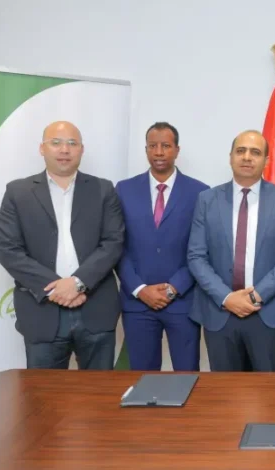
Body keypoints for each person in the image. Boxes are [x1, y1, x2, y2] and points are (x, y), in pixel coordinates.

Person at [0, 121, 124, 369]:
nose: (64, 149)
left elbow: (113, 242)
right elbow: (9, 250)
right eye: (56, 143)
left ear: (81, 149)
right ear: (42, 148)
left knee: (99, 390)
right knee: (44, 392)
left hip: (95, 308)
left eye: (72, 143)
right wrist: (56, 289)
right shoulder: (17, 192)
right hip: (41, 312)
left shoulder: (103, 189)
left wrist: (77, 283)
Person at [187, 130, 275, 371]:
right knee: (225, 390)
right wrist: (227, 298)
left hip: (267, 312)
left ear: (266, 160)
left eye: (255, 152)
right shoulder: (206, 199)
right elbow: (196, 256)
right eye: (241, 151)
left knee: (269, 389)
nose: (247, 157)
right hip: (220, 312)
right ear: (230, 157)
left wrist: (254, 296)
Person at [115, 122, 209, 371]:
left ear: (177, 150)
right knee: (142, 376)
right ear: (146, 149)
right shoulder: (124, 190)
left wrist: (174, 288)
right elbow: (116, 246)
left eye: (166, 146)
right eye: (153, 146)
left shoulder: (200, 192)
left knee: (187, 375)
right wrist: (139, 289)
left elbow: (201, 249)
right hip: (137, 303)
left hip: (183, 302)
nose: (159, 152)